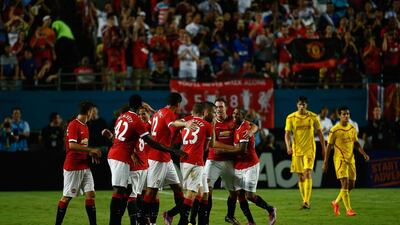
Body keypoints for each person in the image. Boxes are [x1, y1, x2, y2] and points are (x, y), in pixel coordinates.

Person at [106, 94, 186, 225]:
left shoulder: (122, 116)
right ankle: (136, 220)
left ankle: (144, 219)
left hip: (122, 156)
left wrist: (132, 151)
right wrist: (172, 150)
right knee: (122, 192)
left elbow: (122, 138)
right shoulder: (137, 121)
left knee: (127, 192)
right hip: (127, 158)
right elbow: (151, 141)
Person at [218, 108, 277, 225]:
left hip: (250, 165)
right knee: (240, 195)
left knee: (249, 196)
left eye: (238, 114)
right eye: (234, 113)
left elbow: (242, 150)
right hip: (239, 166)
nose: (235, 116)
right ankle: (251, 222)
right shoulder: (236, 127)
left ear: (243, 117)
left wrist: (223, 151)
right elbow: (255, 126)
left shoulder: (244, 128)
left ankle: (271, 210)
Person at [204, 98, 258, 225]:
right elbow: (214, 143)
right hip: (213, 160)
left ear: (225, 108)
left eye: (221, 106)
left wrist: (250, 132)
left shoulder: (233, 120)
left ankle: (230, 216)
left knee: (235, 193)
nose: (218, 109)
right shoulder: (211, 122)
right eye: (216, 107)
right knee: (208, 190)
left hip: (229, 161)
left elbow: (254, 125)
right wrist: (234, 148)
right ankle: (205, 220)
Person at [145, 92, 195, 225]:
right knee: (152, 190)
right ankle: (143, 218)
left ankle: (180, 218)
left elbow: (151, 127)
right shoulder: (169, 114)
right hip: (157, 157)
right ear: (178, 104)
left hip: (165, 157)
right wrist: (185, 124)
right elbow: (172, 125)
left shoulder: (159, 112)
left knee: (178, 189)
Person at [55, 101, 102, 225]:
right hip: (73, 166)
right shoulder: (74, 124)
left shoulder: (85, 126)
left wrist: (90, 153)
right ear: (88, 112)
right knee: (67, 197)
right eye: (93, 111)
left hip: (84, 165)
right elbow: (72, 145)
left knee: (91, 194)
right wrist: (91, 149)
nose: (94, 114)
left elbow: (82, 147)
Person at [323, 106, 370, 216]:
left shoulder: (352, 128)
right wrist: (325, 162)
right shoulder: (335, 130)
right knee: (345, 183)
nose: (346, 116)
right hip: (340, 160)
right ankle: (349, 210)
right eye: (344, 114)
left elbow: (356, 143)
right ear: (339, 115)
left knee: (351, 185)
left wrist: (364, 153)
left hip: (351, 159)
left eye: (348, 114)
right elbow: (329, 147)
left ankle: (335, 202)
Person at [285, 96, 326, 209]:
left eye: (303, 104)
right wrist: (288, 146)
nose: (302, 106)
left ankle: (306, 201)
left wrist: (324, 147)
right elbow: (287, 134)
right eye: (300, 104)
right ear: (297, 105)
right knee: (300, 176)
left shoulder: (313, 117)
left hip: (309, 149)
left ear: (306, 105)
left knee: (307, 173)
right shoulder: (291, 117)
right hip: (297, 150)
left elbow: (320, 133)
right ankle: (304, 200)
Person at [177, 102, 214, 225]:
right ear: (204, 112)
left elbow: (173, 124)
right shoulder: (207, 125)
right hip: (196, 161)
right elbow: (207, 147)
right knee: (192, 192)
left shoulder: (187, 121)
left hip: (184, 159)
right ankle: (182, 221)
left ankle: (199, 222)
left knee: (203, 193)